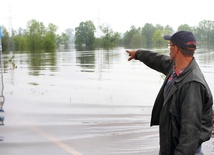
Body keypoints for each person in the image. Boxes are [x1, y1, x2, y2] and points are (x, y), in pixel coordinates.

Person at [126, 31, 213, 155]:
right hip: (171, 145)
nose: (169, 49)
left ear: (176, 49)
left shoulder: (192, 84)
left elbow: (190, 134)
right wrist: (138, 54)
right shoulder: (177, 68)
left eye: (170, 45)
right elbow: (158, 60)